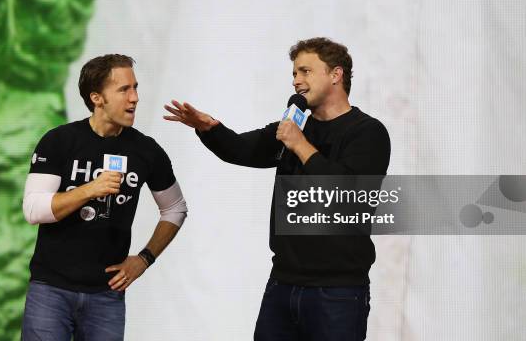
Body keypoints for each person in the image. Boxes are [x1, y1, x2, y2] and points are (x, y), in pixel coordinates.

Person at [164, 37, 390, 341]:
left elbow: (346, 195)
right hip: (283, 283)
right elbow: (242, 150)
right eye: (294, 73)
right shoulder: (292, 128)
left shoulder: (367, 133)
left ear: (336, 75)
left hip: (337, 291)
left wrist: (300, 145)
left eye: (306, 71)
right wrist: (208, 127)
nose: (297, 81)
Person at [21, 54, 187, 341]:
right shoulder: (59, 141)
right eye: (124, 90)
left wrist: (145, 259)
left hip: (106, 296)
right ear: (96, 98)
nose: (134, 98)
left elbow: (175, 209)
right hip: (50, 290)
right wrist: (89, 190)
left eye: (135, 88)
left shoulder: (146, 151)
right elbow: (33, 210)